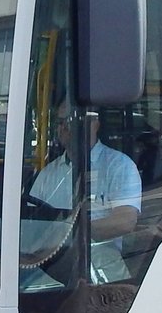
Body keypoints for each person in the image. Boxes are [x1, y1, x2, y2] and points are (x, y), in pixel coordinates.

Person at [29, 103, 141, 281]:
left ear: (95, 124)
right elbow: (31, 224)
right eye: (60, 122)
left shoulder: (119, 165)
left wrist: (69, 233)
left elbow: (125, 221)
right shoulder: (48, 173)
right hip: (51, 265)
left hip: (101, 266)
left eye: (72, 121)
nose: (65, 128)